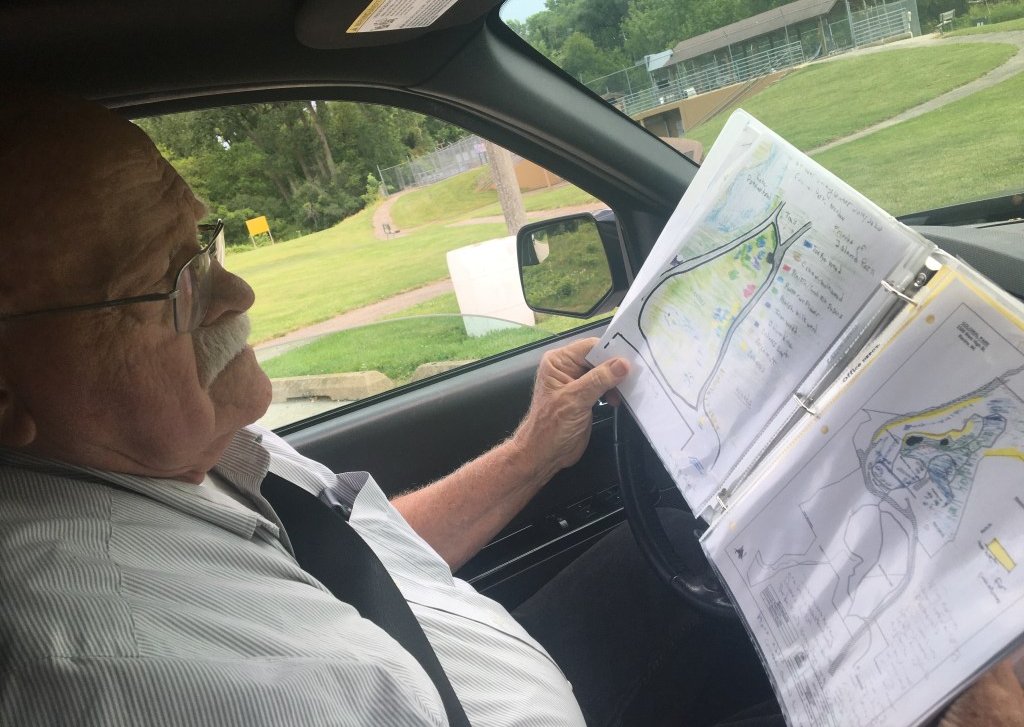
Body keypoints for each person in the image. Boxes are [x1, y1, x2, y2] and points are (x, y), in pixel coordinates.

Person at [0, 90, 1020, 727]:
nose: (237, 294)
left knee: (679, 555)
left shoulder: (174, 453)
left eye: (203, 245)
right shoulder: (132, 673)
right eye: (167, 284)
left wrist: (533, 451)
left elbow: (361, 554)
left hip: (463, 659)